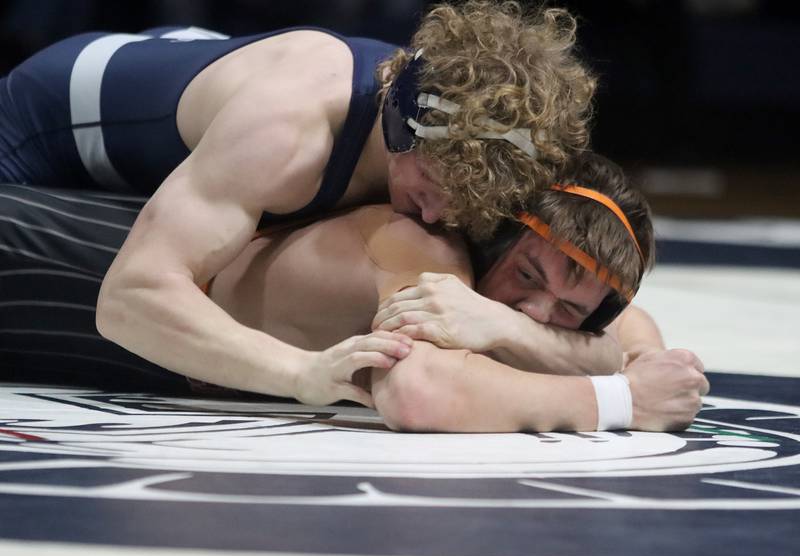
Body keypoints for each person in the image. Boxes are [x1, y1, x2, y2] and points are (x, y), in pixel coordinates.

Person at [0, 2, 596, 392]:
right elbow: (129, 300)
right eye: (431, 189)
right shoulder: (290, 128)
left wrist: (520, 333)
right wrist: (299, 373)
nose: (439, 217)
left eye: (465, 206)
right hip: (37, 131)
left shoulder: (463, 153)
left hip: (189, 102)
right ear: (400, 124)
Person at [0, 151, 709, 431]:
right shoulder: (424, 252)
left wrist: (625, 358)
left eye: (569, 310)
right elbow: (419, 392)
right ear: (493, 237)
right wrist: (619, 402)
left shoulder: (508, 305)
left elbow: (626, 328)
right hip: (88, 272)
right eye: (526, 275)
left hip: (152, 324)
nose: (537, 311)